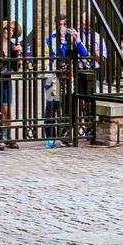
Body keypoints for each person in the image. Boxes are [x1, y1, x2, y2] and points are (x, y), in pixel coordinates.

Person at [42, 13, 88, 146]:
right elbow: (59, 55)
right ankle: (50, 137)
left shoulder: (71, 38)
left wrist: (78, 40)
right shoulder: (50, 38)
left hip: (68, 77)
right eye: (60, 25)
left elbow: (84, 54)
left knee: (67, 107)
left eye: (64, 25)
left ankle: (65, 135)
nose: (62, 27)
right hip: (53, 76)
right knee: (52, 106)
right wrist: (62, 40)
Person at [0, 20, 25, 149]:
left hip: (6, 80)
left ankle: (6, 137)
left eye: (13, 30)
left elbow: (14, 68)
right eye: (9, 29)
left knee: (7, 109)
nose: (11, 32)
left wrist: (18, 54)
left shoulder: (12, 45)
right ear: (3, 29)